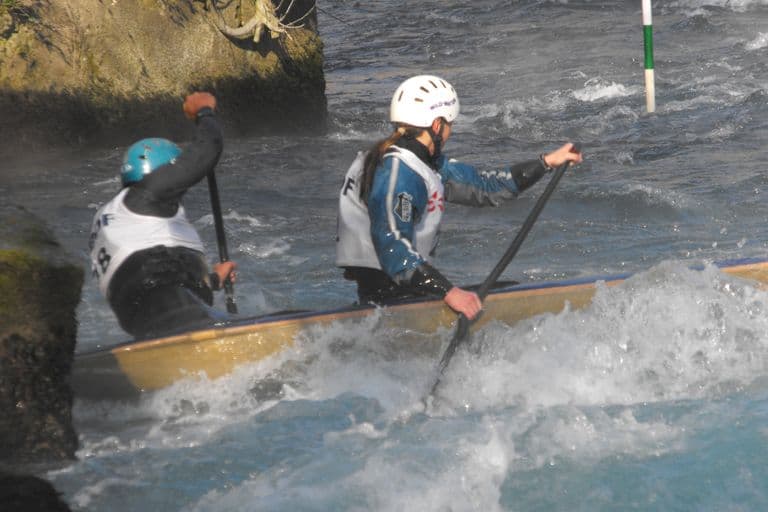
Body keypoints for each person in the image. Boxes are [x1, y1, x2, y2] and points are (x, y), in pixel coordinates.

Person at [336, 75, 582, 320]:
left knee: (507, 286)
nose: (450, 131)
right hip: (391, 296)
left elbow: (487, 186)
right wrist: (449, 292)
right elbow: (392, 244)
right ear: (436, 126)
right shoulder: (398, 175)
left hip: (399, 290)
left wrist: (547, 162)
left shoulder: (423, 163)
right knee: (497, 294)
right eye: (449, 124)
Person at [88, 91, 237, 338]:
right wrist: (204, 112)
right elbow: (208, 148)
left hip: (143, 314)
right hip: (160, 300)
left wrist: (211, 280)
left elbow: (158, 282)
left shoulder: (122, 216)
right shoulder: (148, 194)